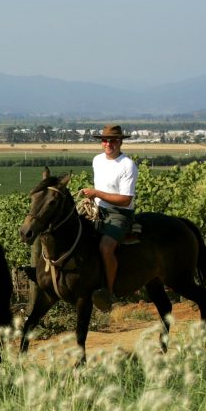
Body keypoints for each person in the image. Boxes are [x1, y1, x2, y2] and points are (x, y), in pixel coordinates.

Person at [79, 124, 138, 312]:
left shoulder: (127, 165)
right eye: (105, 140)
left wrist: (97, 193)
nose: (108, 144)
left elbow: (125, 199)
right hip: (98, 210)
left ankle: (109, 292)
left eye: (113, 140)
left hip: (119, 213)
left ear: (120, 142)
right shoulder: (97, 160)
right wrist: (93, 198)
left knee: (105, 247)